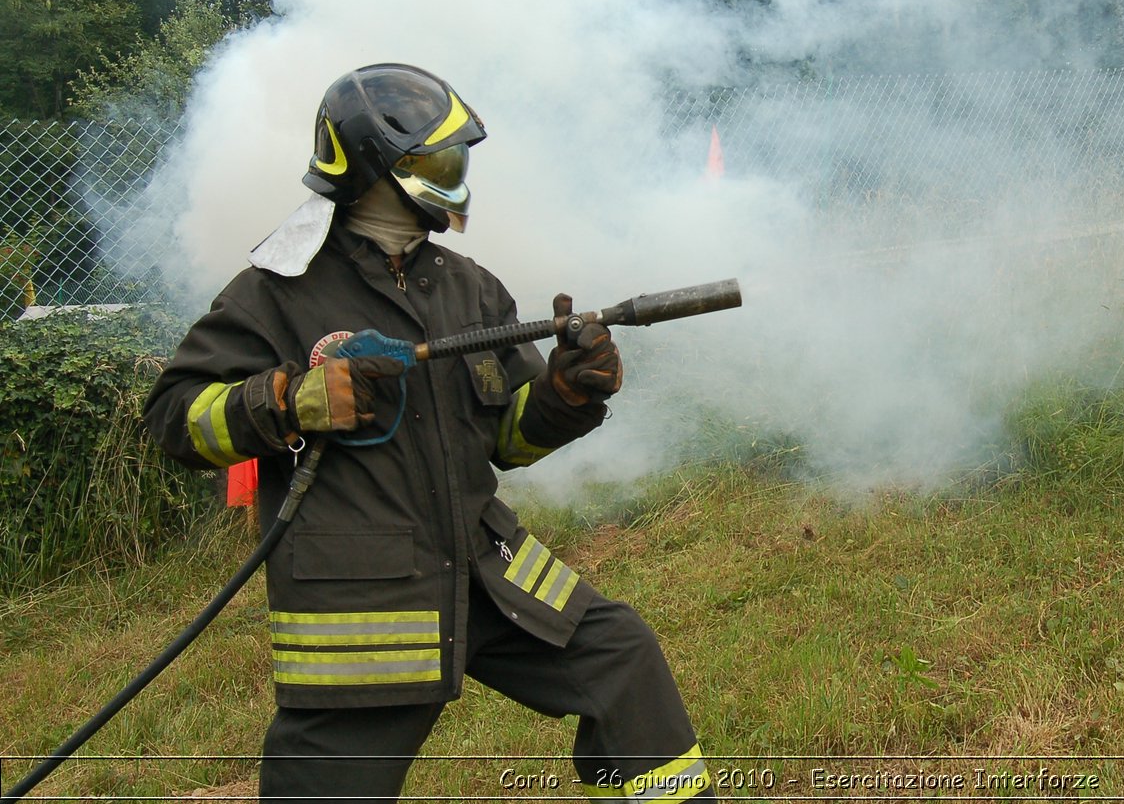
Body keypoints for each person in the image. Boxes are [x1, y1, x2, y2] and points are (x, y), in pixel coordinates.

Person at [144, 64, 714, 804]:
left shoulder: (468, 287)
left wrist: (566, 393)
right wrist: (290, 401)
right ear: (374, 167)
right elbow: (171, 420)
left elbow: (508, 440)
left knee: (620, 657)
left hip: (483, 568)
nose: (456, 175)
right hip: (367, 604)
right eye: (437, 161)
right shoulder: (274, 291)